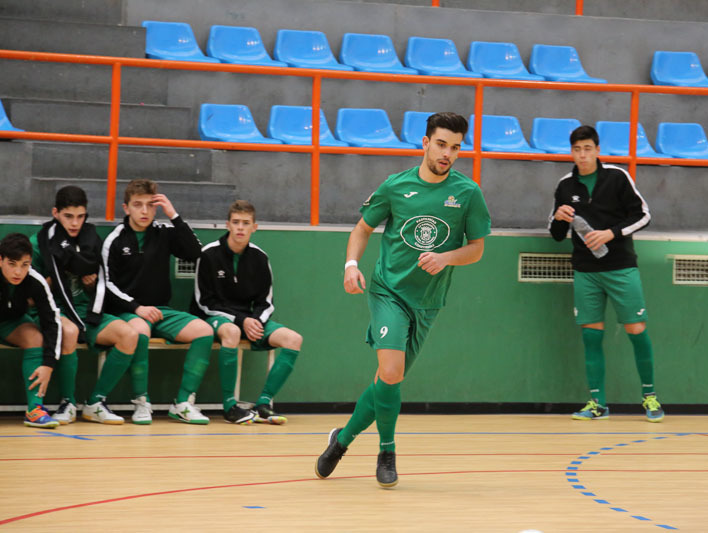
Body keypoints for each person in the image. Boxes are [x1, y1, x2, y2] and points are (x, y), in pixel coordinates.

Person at [315, 112, 491, 488]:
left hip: (428, 301)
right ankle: (387, 451)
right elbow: (362, 229)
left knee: (385, 381)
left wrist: (446, 257)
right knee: (392, 372)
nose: (447, 153)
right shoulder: (396, 187)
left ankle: (341, 441)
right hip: (388, 292)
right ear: (425, 143)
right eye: (441, 144)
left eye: (455, 147)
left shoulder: (468, 193)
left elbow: (476, 250)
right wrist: (350, 265)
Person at [548, 125, 664, 423]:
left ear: (597, 150)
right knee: (591, 335)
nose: (582, 155)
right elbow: (557, 234)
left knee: (636, 330)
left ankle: (650, 397)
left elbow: (643, 215)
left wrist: (611, 234)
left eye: (587, 148)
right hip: (586, 271)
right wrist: (558, 219)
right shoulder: (565, 186)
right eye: (577, 149)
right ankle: (597, 403)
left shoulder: (617, 177)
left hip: (621, 267)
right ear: (571, 152)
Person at [102, 179, 213, 424]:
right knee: (140, 330)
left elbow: (196, 253)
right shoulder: (115, 240)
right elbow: (107, 286)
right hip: (127, 311)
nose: (144, 211)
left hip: (161, 310)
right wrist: (136, 308)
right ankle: (141, 402)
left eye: (150, 205)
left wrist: (173, 215)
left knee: (204, 332)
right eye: (138, 205)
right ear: (126, 208)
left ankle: (183, 403)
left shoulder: (164, 233)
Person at [31, 186, 140, 425]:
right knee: (68, 331)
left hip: (85, 310)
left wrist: (90, 285)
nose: (75, 223)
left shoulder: (90, 238)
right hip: (53, 311)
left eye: (80, 216)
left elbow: (100, 284)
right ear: (56, 213)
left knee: (130, 335)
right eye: (69, 216)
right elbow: (29, 295)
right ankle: (67, 402)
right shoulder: (39, 243)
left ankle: (95, 403)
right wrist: (52, 279)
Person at [191, 200, 303, 426]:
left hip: (251, 319)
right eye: (236, 222)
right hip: (215, 318)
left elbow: (266, 302)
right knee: (232, 331)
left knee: (293, 339)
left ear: (254, 227)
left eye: (245, 223)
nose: (240, 228)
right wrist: (243, 321)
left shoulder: (260, 258)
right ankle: (230, 406)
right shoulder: (209, 254)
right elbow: (204, 302)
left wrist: (257, 322)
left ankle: (263, 404)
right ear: (227, 225)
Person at [0, 233, 63, 428]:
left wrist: (48, 364)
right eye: (12, 264)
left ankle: (34, 410)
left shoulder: (35, 281)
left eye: (24, 264)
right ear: (0, 260)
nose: (18, 271)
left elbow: (52, 321)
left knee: (36, 338)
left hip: (12, 323)